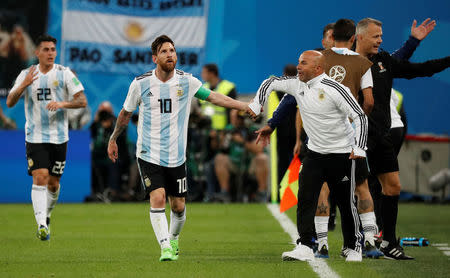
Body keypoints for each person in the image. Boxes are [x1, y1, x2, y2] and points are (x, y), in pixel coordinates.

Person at [107, 35, 248, 262]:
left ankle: (173, 239)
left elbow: (212, 97)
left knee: (179, 206)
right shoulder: (140, 84)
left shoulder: (187, 82)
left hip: (176, 156)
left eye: (172, 50)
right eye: (164, 51)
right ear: (155, 58)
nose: (170, 54)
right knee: (158, 198)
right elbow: (125, 114)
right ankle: (164, 247)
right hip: (148, 153)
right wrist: (113, 138)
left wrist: (242, 105)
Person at [247, 50, 368, 262]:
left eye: (303, 63)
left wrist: (359, 147)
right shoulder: (297, 84)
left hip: (341, 154)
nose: (298, 67)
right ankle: (305, 245)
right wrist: (256, 105)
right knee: (304, 198)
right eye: (298, 62)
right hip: (314, 153)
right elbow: (270, 82)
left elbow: (360, 116)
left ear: (318, 68)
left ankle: (353, 246)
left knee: (345, 202)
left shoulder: (336, 89)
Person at [355, 17, 449, 260]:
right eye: (376, 36)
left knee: (392, 186)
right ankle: (346, 240)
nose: (380, 40)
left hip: (382, 137)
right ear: (361, 37)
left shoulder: (383, 60)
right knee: (354, 189)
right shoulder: (346, 64)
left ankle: (388, 241)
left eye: (381, 36)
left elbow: (417, 69)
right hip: (355, 139)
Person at [6, 34, 87, 240]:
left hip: (60, 138)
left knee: (53, 183)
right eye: (46, 49)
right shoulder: (27, 74)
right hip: (35, 136)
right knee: (40, 176)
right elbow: (9, 102)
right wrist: (23, 85)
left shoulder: (65, 73)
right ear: (37, 52)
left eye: (53, 49)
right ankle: (41, 224)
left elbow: (82, 101)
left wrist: (62, 104)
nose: (50, 53)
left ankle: (47, 216)